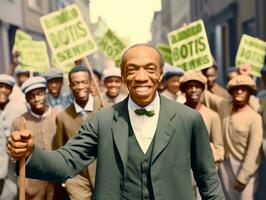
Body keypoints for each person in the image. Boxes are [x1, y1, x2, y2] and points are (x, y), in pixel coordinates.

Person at [8, 44, 224, 200]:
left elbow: (208, 178)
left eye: (150, 69)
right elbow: (67, 161)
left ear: (160, 75)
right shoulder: (102, 121)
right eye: (132, 69)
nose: (141, 77)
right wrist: (29, 152)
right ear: (122, 75)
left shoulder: (189, 119)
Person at [53, 66, 102, 200]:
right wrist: (66, 178)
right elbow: (60, 148)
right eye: (76, 83)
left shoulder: (106, 108)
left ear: (91, 83)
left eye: (84, 82)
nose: (80, 86)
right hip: (77, 179)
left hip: (105, 174)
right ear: (70, 86)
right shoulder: (63, 116)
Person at [11, 76, 59, 200]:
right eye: (32, 96)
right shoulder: (19, 122)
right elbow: (13, 154)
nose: (37, 99)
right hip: (32, 183)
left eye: (40, 94)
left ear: (46, 94)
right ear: (27, 99)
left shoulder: (59, 116)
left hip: (58, 180)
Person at [180, 71, 224, 165]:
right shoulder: (177, 113)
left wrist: (213, 168)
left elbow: (218, 147)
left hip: (203, 166)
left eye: (197, 86)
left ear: (202, 89)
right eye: (189, 86)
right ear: (184, 90)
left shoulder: (212, 116)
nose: (194, 90)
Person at [0, 74, 27, 200]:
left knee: (11, 195)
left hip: (12, 165)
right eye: (0, 87)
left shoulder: (19, 109)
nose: (3, 90)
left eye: (7, 87)